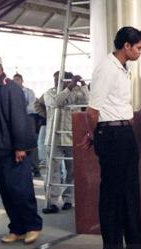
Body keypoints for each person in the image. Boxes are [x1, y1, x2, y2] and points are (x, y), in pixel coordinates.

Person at [82, 27, 141, 249]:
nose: (140, 52)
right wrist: (98, 135)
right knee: (112, 194)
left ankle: (136, 245)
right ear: (126, 46)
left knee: (131, 190)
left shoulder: (123, 68)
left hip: (124, 132)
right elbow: (92, 112)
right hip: (111, 134)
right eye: (139, 48)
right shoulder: (106, 69)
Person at [0, 54, 42, 245]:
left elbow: (19, 118)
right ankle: (17, 227)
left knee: (21, 189)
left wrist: (21, 147)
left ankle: (32, 226)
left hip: (14, 149)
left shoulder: (10, 88)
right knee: (6, 191)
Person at [42, 71, 89, 214]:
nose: (58, 82)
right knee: (52, 172)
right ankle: (52, 202)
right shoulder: (49, 93)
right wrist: (69, 87)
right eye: (56, 79)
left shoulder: (76, 93)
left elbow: (88, 101)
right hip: (53, 137)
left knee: (72, 171)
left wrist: (84, 86)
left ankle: (69, 199)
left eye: (61, 79)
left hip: (70, 136)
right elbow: (56, 102)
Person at [13, 73, 41, 178]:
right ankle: (23, 167)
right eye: (14, 80)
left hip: (28, 119)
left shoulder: (29, 92)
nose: (16, 82)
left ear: (21, 80)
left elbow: (32, 107)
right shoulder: (12, 92)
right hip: (16, 119)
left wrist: (20, 111)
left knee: (32, 143)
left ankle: (35, 167)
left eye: (17, 79)